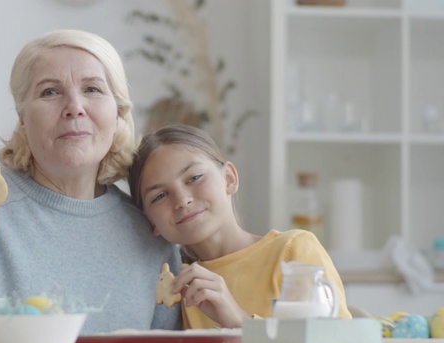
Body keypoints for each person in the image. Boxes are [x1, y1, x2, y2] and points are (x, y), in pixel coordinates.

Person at [0, 29, 181, 334]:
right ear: (23, 118)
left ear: (119, 113)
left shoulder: (150, 228)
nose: (74, 107)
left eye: (93, 89)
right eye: (50, 92)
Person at [127, 124, 352, 329]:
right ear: (149, 221)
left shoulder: (292, 251)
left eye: (194, 177)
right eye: (160, 196)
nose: (182, 200)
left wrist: (239, 320)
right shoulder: (174, 287)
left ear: (229, 179)